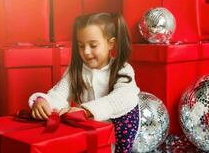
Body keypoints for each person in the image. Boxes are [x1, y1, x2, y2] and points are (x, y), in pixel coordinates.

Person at [28, 12, 140, 153]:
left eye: (93, 45)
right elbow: (60, 94)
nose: (86, 52)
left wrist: (86, 110)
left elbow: (123, 98)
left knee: (127, 107)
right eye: (81, 46)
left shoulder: (122, 69)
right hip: (89, 133)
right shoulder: (76, 70)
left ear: (111, 43)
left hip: (119, 137)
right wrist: (44, 101)